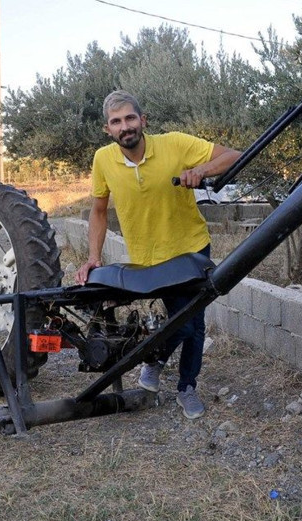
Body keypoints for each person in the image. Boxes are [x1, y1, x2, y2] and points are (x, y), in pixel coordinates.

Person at [76, 90, 241, 419]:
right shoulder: (103, 160)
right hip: (149, 260)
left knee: (195, 324)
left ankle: (185, 387)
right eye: (116, 122)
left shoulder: (175, 144)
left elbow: (233, 155)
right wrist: (93, 256)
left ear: (143, 120)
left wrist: (203, 170)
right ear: (107, 129)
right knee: (182, 326)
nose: (125, 127)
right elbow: (98, 210)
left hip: (191, 249)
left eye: (130, 118)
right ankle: (153, 362)